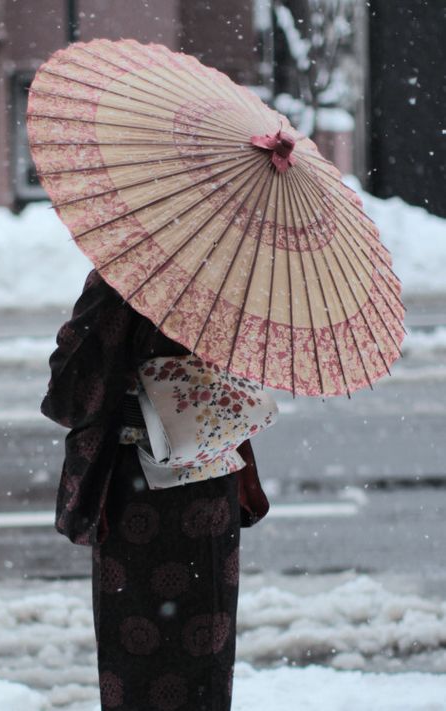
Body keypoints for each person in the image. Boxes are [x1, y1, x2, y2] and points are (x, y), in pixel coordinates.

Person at [41, 269, 270, 711]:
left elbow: (69, 396)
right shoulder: (234, 276)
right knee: (205, 649)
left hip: (139, 489)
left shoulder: (126, 277)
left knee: (138, 654)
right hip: (212, 482)